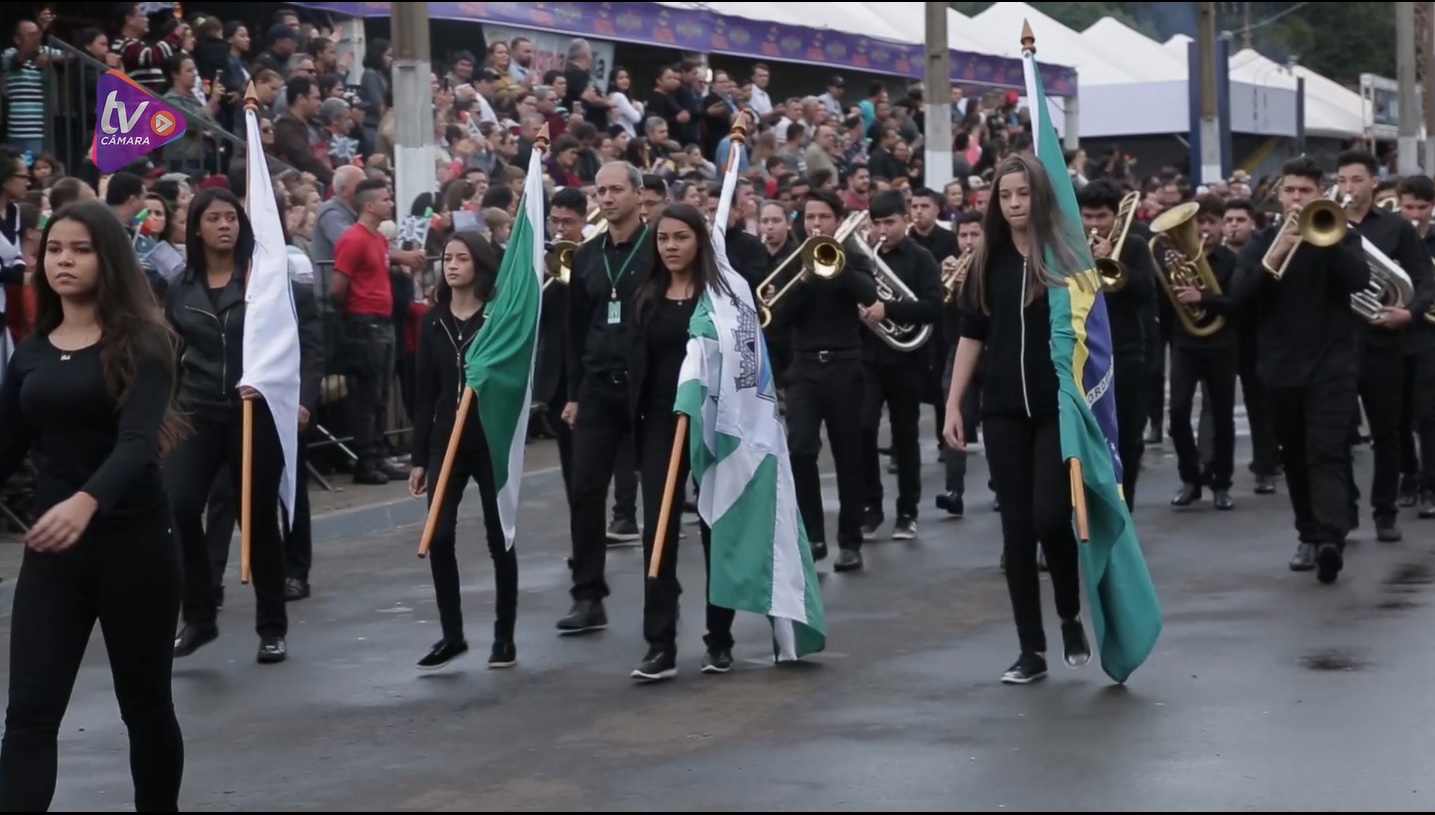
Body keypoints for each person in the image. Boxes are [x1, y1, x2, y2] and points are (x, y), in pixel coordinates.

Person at [0, 200, 187, 810]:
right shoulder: (30, 353)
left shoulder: (145, 340)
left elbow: (137, 444)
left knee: (146, 708)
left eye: (80, 249)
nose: (64, 261)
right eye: (54, 249)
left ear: (106, 258)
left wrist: (86, 502)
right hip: (55, 558)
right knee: (28, 714)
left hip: (135, 548)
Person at [942, 153, 1092, 685]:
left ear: (1039, 197)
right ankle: (1032, 649)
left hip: (1055, 410)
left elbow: (1092, 333)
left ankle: (1070, 614)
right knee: (1016, 533)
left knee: (1051, 518)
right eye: (1005, 197)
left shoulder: (1065, 258)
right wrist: (954, 404)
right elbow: (970, 334)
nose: (1013, 205)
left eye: (1022, 195)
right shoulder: (988, 259)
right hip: (1002, 409)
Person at [1231, 156, 1369, 583]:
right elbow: (1240, 298)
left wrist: (1325, 244)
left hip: (1332, 366)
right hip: (1279, 368)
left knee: (1325, 453)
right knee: (1293, 456)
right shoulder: (1262, 242)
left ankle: (1329, 539)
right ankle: (1307, 534)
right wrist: (1281, 249)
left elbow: (1359, 280)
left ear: (1320, 195)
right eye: (1289, 191)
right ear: (1279, 196)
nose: (1295, 198)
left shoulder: (1340, 235)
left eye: (1304, 192)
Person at [167, 188, 291, 663]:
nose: (224, 225)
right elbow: (173, 350)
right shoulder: (181, 285)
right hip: (197, 409)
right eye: (214, 218)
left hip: (252, 410)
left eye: (231, 218)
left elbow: (293, 340)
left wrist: (282, 392)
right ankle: (199, 616)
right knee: (178, 506)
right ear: (196, 228)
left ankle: (272, 626)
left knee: (256, 518)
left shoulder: (262, 281)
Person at [625, 203, 737, 682]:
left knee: (717, 530)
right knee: (658, 533)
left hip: (711, 423)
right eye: (663, 239)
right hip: (659, 425)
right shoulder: (646, 296)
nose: (670, 247)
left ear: (699, 242)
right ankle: (659, 643)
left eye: (680, 238)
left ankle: (720, 639)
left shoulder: (720, 297)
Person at [408, 230, 519, 671]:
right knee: (439, 535)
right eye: (447, 258)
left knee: (500, 538)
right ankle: (451, 635)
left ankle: (504, 636)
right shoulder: (432, 321)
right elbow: (424, 393)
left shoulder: (496, 319)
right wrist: (418, 458)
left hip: (488, 439)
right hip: (445, 442)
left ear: (480, 264)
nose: (451, 265)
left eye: (461, 258)